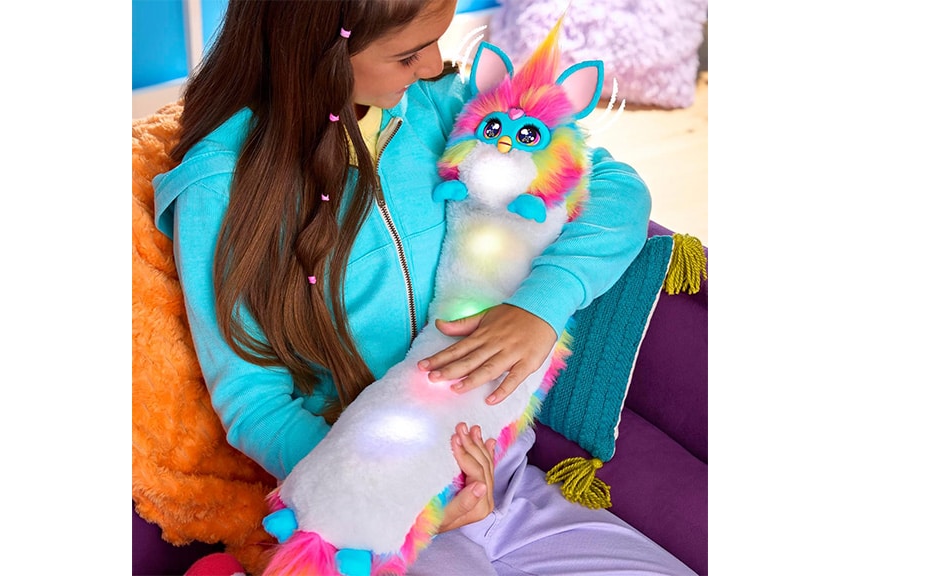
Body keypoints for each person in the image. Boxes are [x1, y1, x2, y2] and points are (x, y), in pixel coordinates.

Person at [153, 0, 695, 574]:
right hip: (375, 520)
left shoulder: (441, 103)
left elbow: (613, 184)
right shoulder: (221, 186)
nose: (435, 64)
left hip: (510, 480)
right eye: (408, 54)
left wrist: (543, 303)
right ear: (319, 53)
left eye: (438, 39)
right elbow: (251, 401)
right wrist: (396, 494)